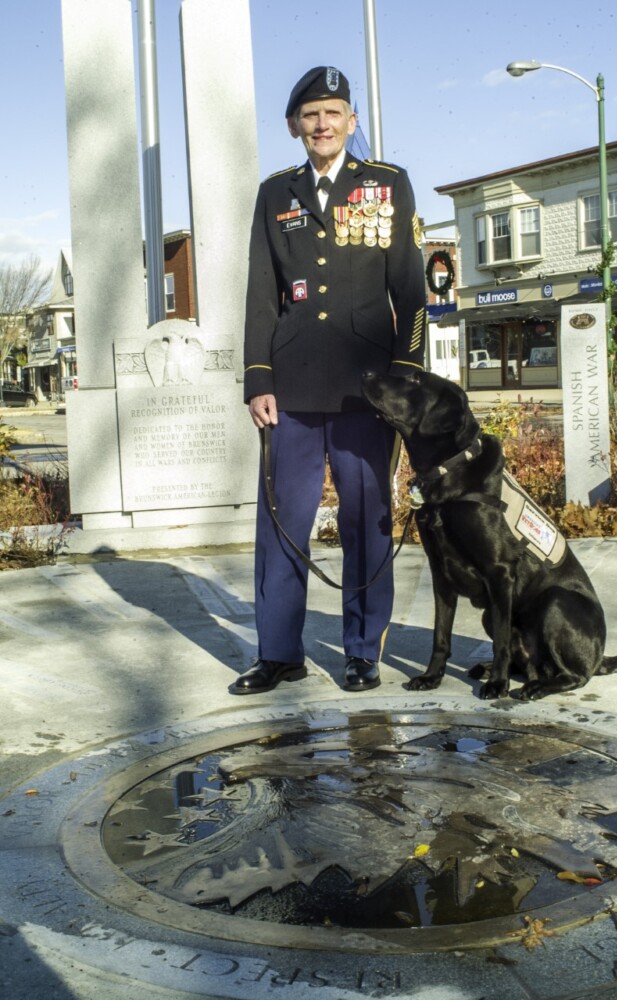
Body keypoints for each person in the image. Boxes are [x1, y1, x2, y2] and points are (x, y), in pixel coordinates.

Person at [233, 65, 426, 696]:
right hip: (289, 389)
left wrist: (405, 375)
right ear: (295, 125)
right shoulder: (275, 193)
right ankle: (279, 651)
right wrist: (258, 378)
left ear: (351, 122)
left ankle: (362, 650)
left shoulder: (387, 186)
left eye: (333, 112)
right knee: (283, 519)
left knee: (366, 517)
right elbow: (262, 295)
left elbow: (410, 292)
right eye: (311, 114)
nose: (322, 124)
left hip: (366, 390)